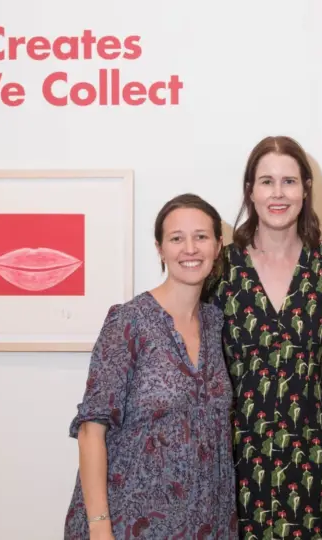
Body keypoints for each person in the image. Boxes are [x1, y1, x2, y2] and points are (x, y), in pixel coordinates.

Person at [205, 135, 322, 539]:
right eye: (266, 181)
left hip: (312, 458)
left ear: (306, 189)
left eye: (289, 181)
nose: (278, 193)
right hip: (241, 457)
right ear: (250, 191)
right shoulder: (222, 264)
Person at [64, 194, 237, 540]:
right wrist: (100, 529)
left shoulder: (217, 323)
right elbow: (90, 431)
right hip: (128, 525)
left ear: (218, 246)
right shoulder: (128, 322)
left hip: (206, 523)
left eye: (201, 236)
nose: (190, 248)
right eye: (177, 238)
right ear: (160, 248)